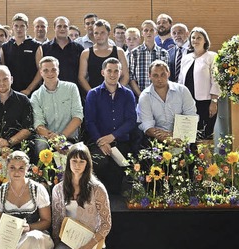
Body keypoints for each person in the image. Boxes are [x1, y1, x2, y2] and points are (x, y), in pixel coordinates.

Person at [51, 143, 111, 249]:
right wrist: (57, 246)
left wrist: (88, 247)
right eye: (74, 161)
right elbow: (56, 222)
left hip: (93, 240)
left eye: (81, 161)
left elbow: (106, 224)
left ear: (87, 164)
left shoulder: (97, 189)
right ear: (68, 162)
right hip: (68, 240)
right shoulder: (58, 189)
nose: (77, 165)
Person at [0, 151, 53, 249]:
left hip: (35, 237)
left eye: (21, 168)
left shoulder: (38, 189)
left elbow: (46, 221)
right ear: (7, 168)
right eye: (12, 168)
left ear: (27, 168)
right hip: (9, 240)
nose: (16, 172)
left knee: (33, 238)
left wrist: (29, 227)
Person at [85, 57, 137, 194]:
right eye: (109, 71)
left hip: (121, 142)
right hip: (99, 142)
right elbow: (90, 121)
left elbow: (131, 120)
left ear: (120, 73)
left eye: (116, 71)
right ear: (103, 72)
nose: (113, 74)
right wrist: (101, 141)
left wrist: (112, 136)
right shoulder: (93, 94)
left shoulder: (128, 94)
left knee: (120, 168)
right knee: (100, 163)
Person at [31, 56, 83, 153]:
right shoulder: (36, 96)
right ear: (40, 72)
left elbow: (78, 116)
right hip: (47, 138)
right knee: (41, 146)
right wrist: (55, 140)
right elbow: (38, 124)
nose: (50, 73)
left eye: (53, 69)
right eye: (46, 70)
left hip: (68, 137)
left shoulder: (71, 88)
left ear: (58, 70)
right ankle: (42, 169)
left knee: (73, 152)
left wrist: (61, 139)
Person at [137, 60, 197, 142]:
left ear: (168, 73)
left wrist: (174, 136)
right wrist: (169, 139)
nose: (159, 79)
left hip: (182, 138)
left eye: (163, 74)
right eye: (155, 75)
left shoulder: (182, 91)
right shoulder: (145, 96)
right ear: (149, 76)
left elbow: (191, 117)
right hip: (156, 140)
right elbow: (148, 126)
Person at [177, 27, 220, 140]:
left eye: (199, 38)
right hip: (188, 102)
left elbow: (216, 81)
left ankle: (205, 157)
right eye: (193, 37)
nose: (195, 40)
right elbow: (181, 80)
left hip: (205, 103)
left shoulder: (212, 56)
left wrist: (214, 101)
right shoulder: (186, 58)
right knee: (189, 135)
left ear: (205, 40)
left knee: (205, 136)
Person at [78, 19, 129, 93]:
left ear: (109, 33)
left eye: (102, 33)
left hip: (116, 95)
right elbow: (81, 78)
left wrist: (116, 93)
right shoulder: (86, 53)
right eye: (96, 33)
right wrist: (92, 93)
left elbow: (125, 76)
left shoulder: (119, 52)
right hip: (95, 96)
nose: (99, 36)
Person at [42, 16, 85, 98]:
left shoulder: (78, 48)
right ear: (54, 28)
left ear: (68, 28)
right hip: (51, 92)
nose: (62, 29)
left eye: (65, 26)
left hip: (73, 92)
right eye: (59, 26)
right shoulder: (45, 48)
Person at [0, 13, 43, 96]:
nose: (19, 29)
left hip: (32, 92)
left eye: (22, 26)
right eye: (16, 26)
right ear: (12, 27)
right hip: (11, 93)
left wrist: (29, 89)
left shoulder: (36, 46)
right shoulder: (5, 47)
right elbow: (3, 71)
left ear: (27, 27)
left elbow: (40, 70)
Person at [128, 20, 169, 97]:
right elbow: (131, 77)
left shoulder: (164, 53)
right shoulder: (134, 53)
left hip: (159, 95)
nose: (148, 32)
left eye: (151, 30)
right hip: (139, 96)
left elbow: (165, 76)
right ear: (142, 33)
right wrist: (141, 95)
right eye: (146, 30)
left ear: (156, 32)